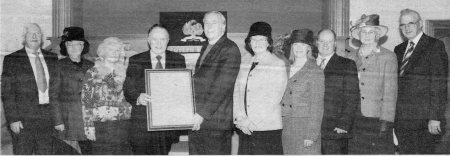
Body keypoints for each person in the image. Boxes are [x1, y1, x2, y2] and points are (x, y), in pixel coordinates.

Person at [123, 24, 186, 155]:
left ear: (168, 41)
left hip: (166, 123)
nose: (158, 43)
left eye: (162, 39)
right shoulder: (136, 60)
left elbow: (182, 90)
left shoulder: (178, 59)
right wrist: (138, 98)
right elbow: (128, 88)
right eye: (154, 39)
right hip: (142, 122)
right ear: (148, 40)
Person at [394, 8, 448, 154]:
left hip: (426, 121)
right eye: (403, 25)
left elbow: (439, 85)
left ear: (420, 24)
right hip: (402, 121)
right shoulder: (398, 49)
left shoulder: (434, 46)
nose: (407, 27)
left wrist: (435, 118)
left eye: (411, 23)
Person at [189, 11, 241, 155]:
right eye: (206, 23)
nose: (209, 26)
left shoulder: (229, 48)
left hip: (215, 122)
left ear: (223, 27)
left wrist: (201, 114)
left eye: (214, 23)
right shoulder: (206, 46)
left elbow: (221, 87)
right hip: (199, 119)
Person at [1, 23, 58, 155]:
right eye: (30, 33)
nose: (34, 36)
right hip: (23, 120)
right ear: (24, 37)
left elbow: (56, 89)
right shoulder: (12, 59)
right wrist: (13, 119)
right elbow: (7, 93)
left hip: (47, 119)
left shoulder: (52, 58)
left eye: (37, 33)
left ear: (42, 37)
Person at [345, 14, 397, 154]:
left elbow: (390, 93)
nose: (367, 35)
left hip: (376, 118)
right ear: (358, 35)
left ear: (377, 35)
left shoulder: (388, 57)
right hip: (354, 117)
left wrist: (386, 121)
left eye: (371, 32)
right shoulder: (350, 57)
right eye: (363, 31)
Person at [233, 21, 287, 155]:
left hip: (266, 128)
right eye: (254, 39)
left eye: (262, 39)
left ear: (269, 42)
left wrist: (250, 121)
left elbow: (274, 98)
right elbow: (237, 92)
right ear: (249, 43)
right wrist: (239, 118)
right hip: (244, 127)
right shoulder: (245, 61)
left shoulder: (277, 63)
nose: (257, 42)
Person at [81, 37, 133, 155]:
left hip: (123, 122)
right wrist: (88, 126)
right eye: (110, 49)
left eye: (117, 50)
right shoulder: (92, 72)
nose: (114, 53)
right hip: (102, 124)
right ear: (103, 52)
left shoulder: (125, 72)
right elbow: (86, 101)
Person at [280, 29, 325, 154]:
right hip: (286, 125)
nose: (299, 48)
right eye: (296, 45)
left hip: (304, 127)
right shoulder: (286, 67)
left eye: (303, 45)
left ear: (309, 48)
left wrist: (311, 135)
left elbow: (317, 105)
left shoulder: (315, 71)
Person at [51, 27, 94, 154]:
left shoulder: (91, 66)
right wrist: (58, 121)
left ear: (83, 46)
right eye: (70, 44)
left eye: (77, 44)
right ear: (65, 46)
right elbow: (53, 95)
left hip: (88, 121)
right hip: (67, 121)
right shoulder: (58, 66)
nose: (73, 47)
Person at [317, 29, 360, 154]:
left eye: (329, 41)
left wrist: (343, 125)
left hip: (335, 130)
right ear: (316, 43)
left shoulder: (347, 65)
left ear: (335, 43)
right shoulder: (309, 65)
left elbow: (352, 97)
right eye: (322, 41)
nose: (325, 45)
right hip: (312, 130)